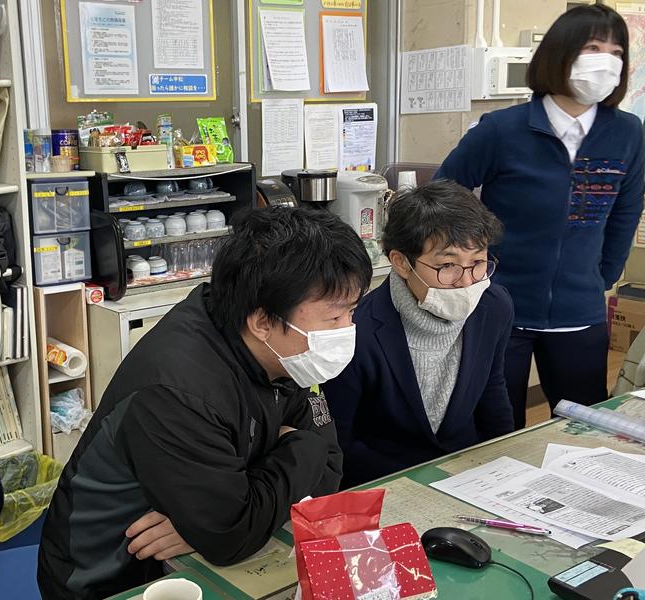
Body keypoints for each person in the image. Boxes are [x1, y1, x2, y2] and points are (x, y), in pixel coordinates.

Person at [37, 207, 373, 599]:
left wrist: (209, 522)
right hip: (111, 578)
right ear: (262, 322)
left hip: (198, 552)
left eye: (351, 312)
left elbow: (329, 467)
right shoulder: (178, 389)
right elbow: (233, 534)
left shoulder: (285, 350)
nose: (347, 330)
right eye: (334, 318)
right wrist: (300, 449)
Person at [436, 4, 645, 429]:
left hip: (580, 311)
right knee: (495, 426)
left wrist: (601, 276)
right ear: (560, 52)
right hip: (500, 305)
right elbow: (442, 195)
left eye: (617, 52)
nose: (606, 60)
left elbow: (626, 210)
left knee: (583, 427)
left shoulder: (627, 132)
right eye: (593, 47)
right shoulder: (501, 129)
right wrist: (470, 269)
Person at [323, 180, 514, 487]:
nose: (466, 282)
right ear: (401, 262)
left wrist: (505, 466)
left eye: (478, 262)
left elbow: (492, 393)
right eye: (448, 265)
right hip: (386, 481)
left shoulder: (494, 307)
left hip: (468, 474)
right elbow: (340, 442)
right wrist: (421, 484)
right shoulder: (359, 330)